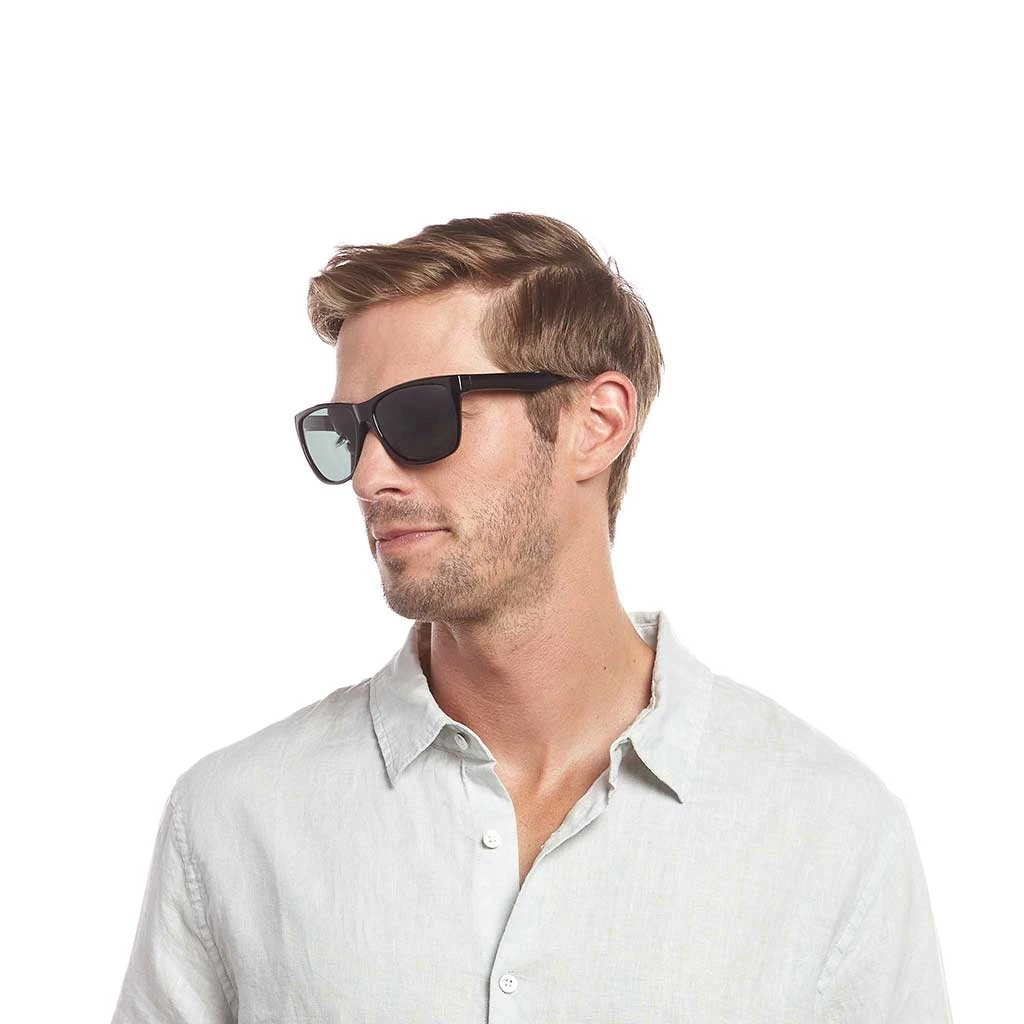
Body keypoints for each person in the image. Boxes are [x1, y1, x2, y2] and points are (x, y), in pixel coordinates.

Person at [110, 212, 953, 1023]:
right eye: (346, 431)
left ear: (597, 423)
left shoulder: (830, 833)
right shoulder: (234, 821)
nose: (368, 477)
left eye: (419, 416)